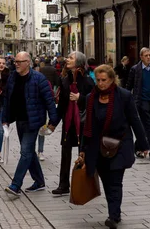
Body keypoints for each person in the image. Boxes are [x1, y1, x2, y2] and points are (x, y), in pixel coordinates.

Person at [77, 65, 149, 229]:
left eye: (104, 80)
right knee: (107, 182)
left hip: (119, 145)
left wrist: (144, 144)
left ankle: (113, 216)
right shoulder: (91, 98)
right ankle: (114, 210)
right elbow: (86, 126)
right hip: (97, 147)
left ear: (112, 79)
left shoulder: (123, 96)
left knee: (115, 182)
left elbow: (135, 120)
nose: (101, 84)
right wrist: (82, 148)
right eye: (98, 80)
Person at [2, 51, 58, 196]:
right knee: (29, 152)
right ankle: (39, 181)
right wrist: (5, 119)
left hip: (33, 121)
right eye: (15, 61)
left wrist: (53, 121)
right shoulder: (13, 78)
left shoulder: (39, 79)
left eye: (19, 62)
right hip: (20, 120)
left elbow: (49, 101)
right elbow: (7, 99)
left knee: (25, 152)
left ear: (28, 62)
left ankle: (15, 185)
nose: (16, 64)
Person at [52, 51, 94, 197]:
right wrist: (53, 123)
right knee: (65, 153)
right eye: (68, 57)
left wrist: (79, 98)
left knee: (83, 154)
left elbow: (93, 101)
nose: (67, 59)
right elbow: (62, 105)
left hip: (83, 122)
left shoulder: (88, 81)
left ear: (79, 62)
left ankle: (85, 184)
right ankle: (63, 185)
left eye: (71, 58)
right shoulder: (65, 80)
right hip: (68, 122)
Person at [126, 47, 150, 162]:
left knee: (145, 128)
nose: (148, 57)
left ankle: (136, 147)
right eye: (146, 55)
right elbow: (129, 86)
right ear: (141, 57)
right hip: (141, 102)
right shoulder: (135, 69)